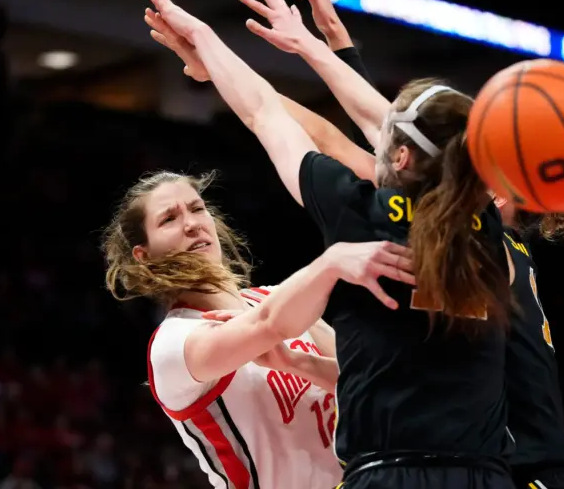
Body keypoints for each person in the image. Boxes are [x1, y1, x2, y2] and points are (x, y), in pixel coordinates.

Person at [141, 0, 515, 488]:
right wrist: (320, 46)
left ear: (400, 158)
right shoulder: (491, 231)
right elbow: (397, 136)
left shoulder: (364, 215)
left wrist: (208, 39)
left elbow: (265, 115)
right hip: (486, 475)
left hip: (391, 471)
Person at [241, 0, 564, 487]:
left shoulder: (475, 237)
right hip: (543, 469)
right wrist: (333, 49)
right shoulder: (485, 243)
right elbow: (404, 139)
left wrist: (247, 78)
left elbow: (381, 140)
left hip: (523, 472)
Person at [102, 169, 415, 488]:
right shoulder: (174, 343)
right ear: (144, 255)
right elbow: (269, 325)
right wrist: (331, 262)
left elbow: (375, 383)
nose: (191, 223)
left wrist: (301, 364)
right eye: (169, 219)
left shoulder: (276, 299)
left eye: (197, 209)